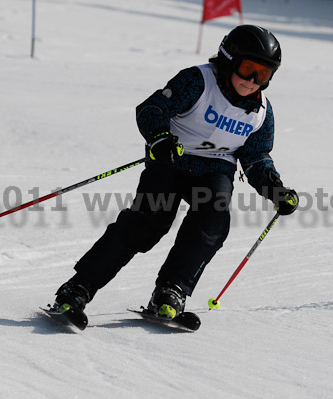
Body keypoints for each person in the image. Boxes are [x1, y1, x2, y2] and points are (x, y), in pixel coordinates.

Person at [52, 25, 299, 319]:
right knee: (146, 223)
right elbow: (152, 109)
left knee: (212, 221)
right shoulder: (198, 80)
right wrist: (159, 138)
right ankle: (78, 288)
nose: (253, 81)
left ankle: (171, 291)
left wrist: (275, 189)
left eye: (264, 74)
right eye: (248, 69)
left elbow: (256, 156)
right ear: (228, 59)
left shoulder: (261, 112)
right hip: (172, 159)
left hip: (215, 169)